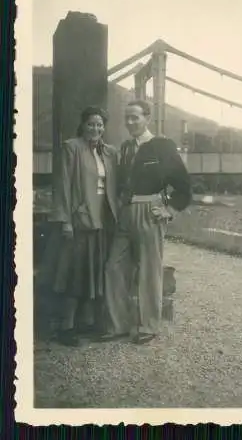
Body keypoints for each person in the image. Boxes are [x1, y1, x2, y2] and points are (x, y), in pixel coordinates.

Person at [101, 99, 192, 345]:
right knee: (113, 267)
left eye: (135, 117)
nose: (130, 122)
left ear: (147, 118)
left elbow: (184, 186)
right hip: (125, 211)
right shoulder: (127, 147)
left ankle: (149, 325)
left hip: (149, 211)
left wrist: (169, 209)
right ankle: (118, 324)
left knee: (149, 270)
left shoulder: (162, 146)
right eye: (127, 118)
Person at [42, 106, 119, 346]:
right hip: (79, 220)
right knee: (73, 274)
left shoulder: (108, 152)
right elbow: (63, 185)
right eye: (91, 124)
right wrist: (65, 220)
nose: (95, 128)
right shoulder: (71, 147)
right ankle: (66, 328)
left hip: (101, 220)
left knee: (93, 274)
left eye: (100, 125)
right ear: (83, 125)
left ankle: (85, 324)